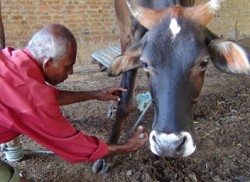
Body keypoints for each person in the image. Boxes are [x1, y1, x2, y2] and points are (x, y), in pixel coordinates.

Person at [0, 24, 148, 182]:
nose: (71, 72)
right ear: (47, 63)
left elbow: (43, 97)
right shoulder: (33, 100)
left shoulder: (10, 58)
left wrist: (95, 94)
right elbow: (75, 146)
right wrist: (125, 147)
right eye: (68, 65)